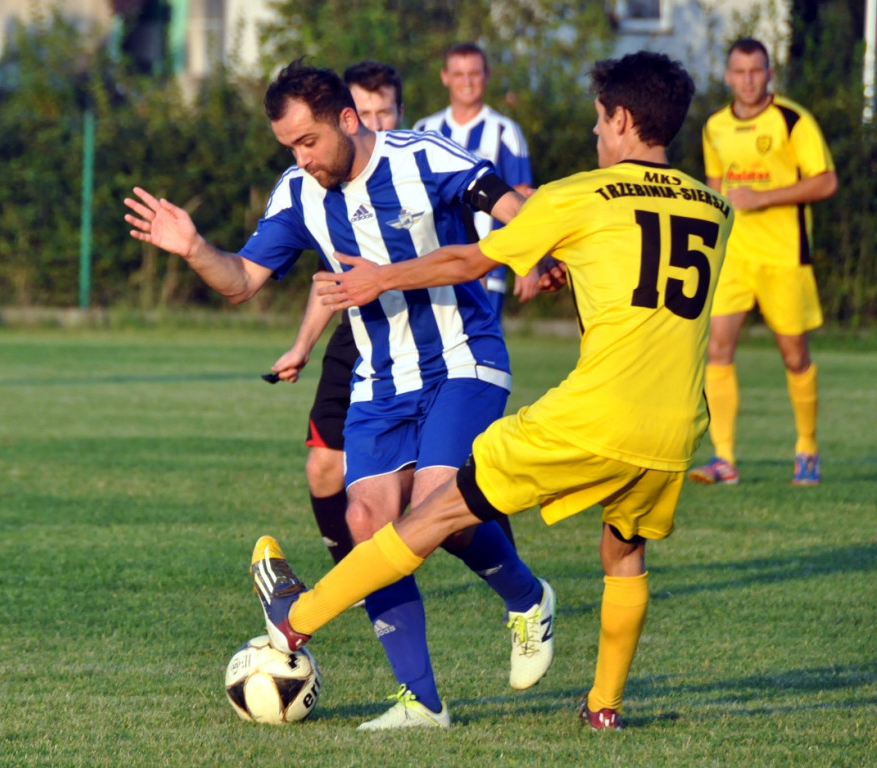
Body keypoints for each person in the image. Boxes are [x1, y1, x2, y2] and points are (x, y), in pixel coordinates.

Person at [250, 50, 733, 732]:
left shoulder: (580, 195)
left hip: (590, 415)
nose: (596, 135)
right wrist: (560, 263)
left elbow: (469, 259)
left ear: (622, 119)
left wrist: (381, 278)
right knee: (624, 552)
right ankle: (602, 708)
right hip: (678, 427)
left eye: (600, 121)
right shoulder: (716, 210)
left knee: (433, 512)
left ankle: (295, 620)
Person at [125, 59, 558, 731]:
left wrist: (535, 250)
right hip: (381, 382)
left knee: (439, 501)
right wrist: (193, 248)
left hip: (463, 357)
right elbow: (240, 280)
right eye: (289, 147)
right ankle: (423, 702)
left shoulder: (420, 157)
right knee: (365, 524)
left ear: (346, 120)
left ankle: (528, 598)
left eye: (308, 142)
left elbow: (504, 201)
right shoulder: (298, 192)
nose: (302, 159)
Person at [269, 61, 406, 566]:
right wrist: (302, 346)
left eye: (383, 111)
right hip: (360, 334)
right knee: (324, 466)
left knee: (449, 483)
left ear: (400, 112)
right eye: (365, 111)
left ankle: (512, 581)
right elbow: (331, 278)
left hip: (434, 340)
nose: (375, 121)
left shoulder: (420, 175)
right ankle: (348, 575)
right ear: (348, 117)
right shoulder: (325, 186)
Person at [689, 38, 837, 487]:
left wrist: (764, 197)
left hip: (784, 256)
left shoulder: (793, 120)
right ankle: (724, 459)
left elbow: (826, 181)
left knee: (794, 356)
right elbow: (715, 192)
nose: (748, 79)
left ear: (769, 74)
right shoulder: (714, 125)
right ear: (728, 75)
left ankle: (807, 449)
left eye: (757, 71)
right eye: (740, 71)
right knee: (717, 349)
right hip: (735, 256)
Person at [414, 42, 543, 317]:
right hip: (430, 266)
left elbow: (522, 199)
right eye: (459, 74)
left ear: (486, 75)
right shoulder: (424, 130)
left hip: (488, 265)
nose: (467, 82)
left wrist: (528, 263)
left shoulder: (505, 131)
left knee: (482, 349)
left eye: (474, 73)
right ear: (445, 77)